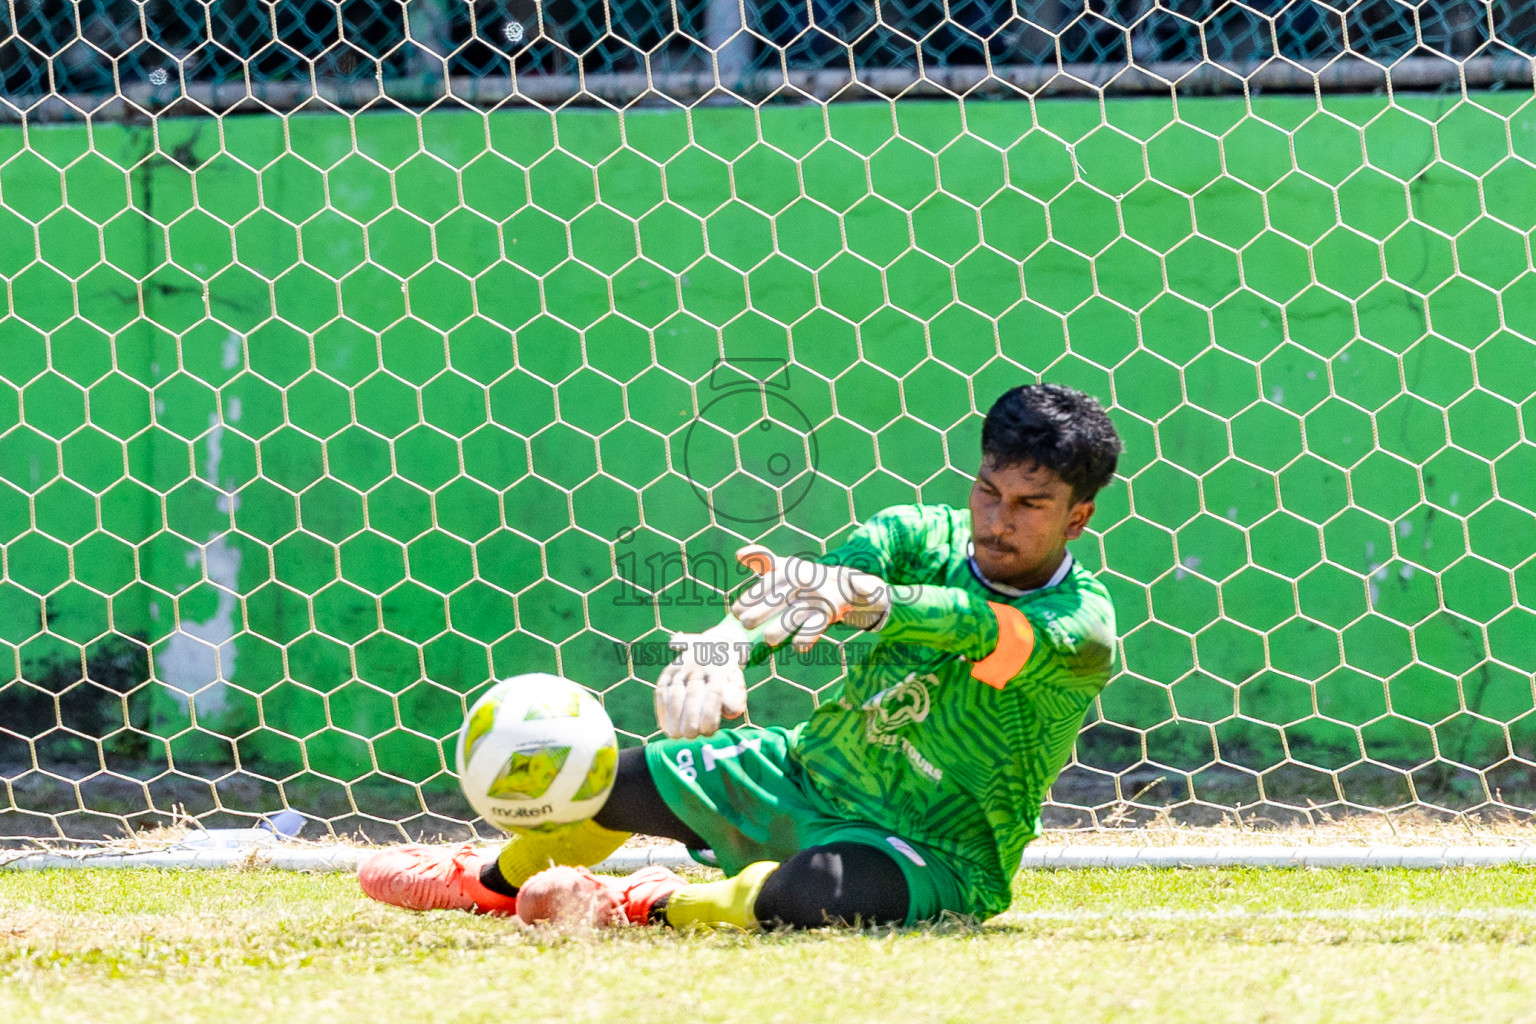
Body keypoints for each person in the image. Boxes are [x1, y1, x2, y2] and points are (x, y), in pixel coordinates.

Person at [359, 382, 1123, 929]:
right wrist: (729, 644)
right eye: (988, 491)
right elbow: (807, 589)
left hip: (932, 847)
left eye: (1030, 505)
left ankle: (641, 901)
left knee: (810, 897)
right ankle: (487, 884)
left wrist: (877, 603)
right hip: (805, 773)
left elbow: (975, 627)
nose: (996, 520)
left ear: (1078, 517)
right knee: (600, 779)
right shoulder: (914, 534)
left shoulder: (1078, 628)